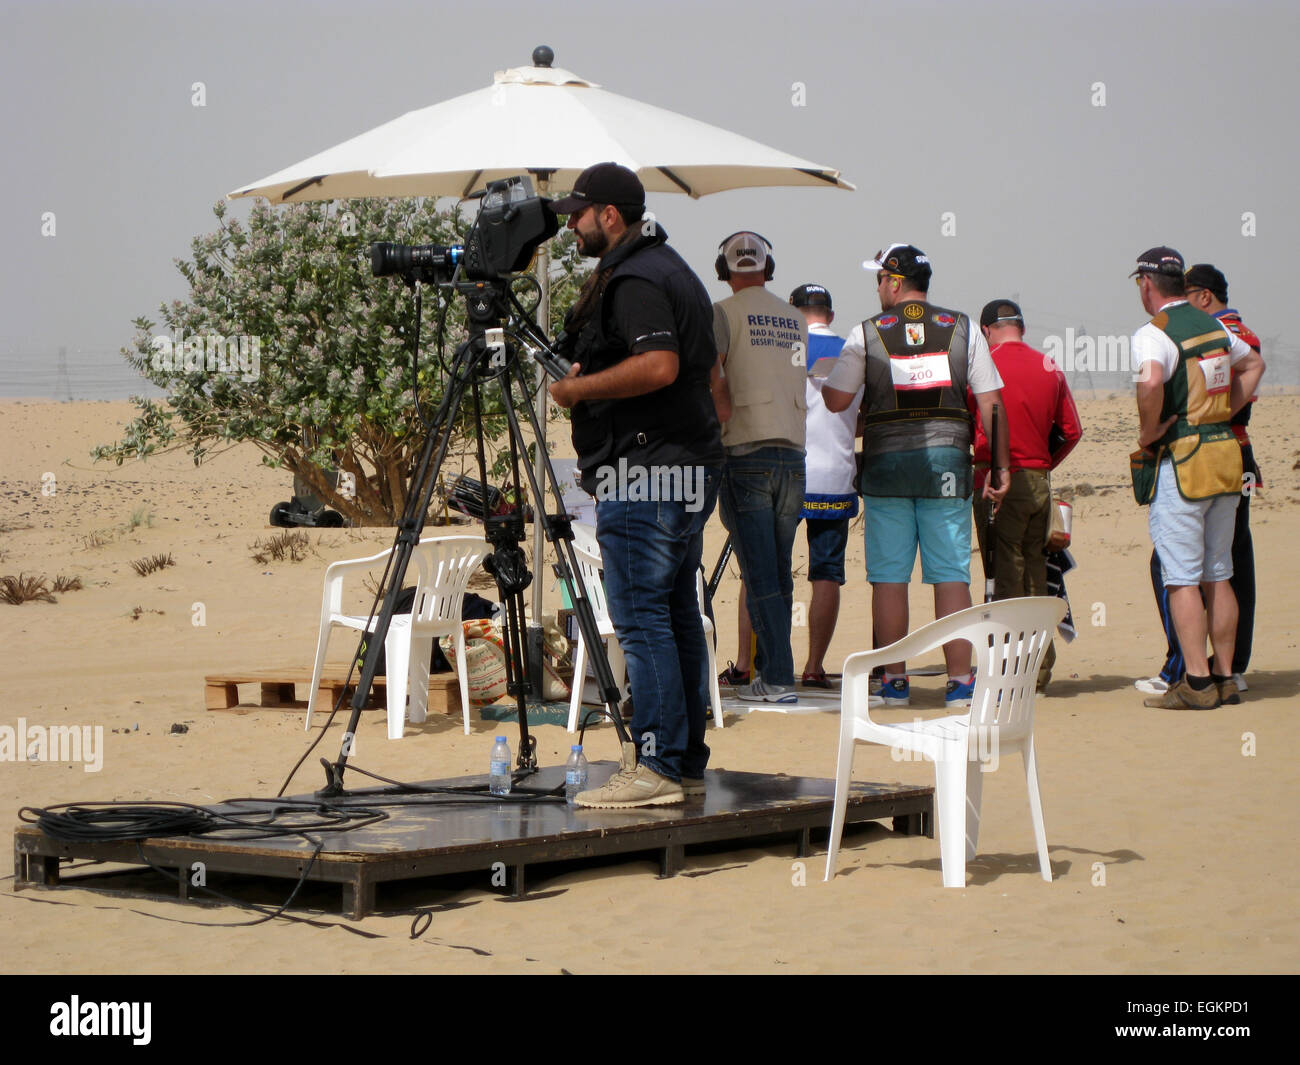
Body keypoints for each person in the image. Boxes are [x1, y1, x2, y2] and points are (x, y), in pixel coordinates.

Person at [547, 162, 723, 806]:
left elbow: (659, 363)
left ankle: (654, 764)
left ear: (610, 216)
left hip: (646, 474)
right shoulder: (668, 267)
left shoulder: (638, 279)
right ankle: (682, 759)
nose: (570, 225)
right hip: (681, 466)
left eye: (578, 214)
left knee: (643, 618)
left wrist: (575, 389)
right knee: (674, 613)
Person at [824, 244, 1009, 708]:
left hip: (886, 470)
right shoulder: (963, 328)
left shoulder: (866, 333)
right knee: (950, 576)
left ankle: (895, 681)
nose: (878, 290)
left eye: (879, 282)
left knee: (889, 578)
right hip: (947, 468)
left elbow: (835, 401)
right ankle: (960, 681)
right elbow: (992, 405)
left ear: (893, 282)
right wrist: (1000, 466)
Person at [1128, 247, 1264, 710]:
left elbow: (1149, 384)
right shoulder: (1217, 325)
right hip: (1227, 457)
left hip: (1184, 460)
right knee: (1219, 572)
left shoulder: (1153, 333)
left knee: (1182, 577)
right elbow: (1253, 364)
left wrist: (1149, 431)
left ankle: (1197, 682)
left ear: (1147, 285)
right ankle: (1226, 677)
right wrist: (1225, 411)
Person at [712, 231, 809, 704]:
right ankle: (774, 670)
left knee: (759, 572)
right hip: (792, 454)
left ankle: (778, 678)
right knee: (779, 570)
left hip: (745, 453)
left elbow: (713, 375)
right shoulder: (795, 316)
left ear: (724, 269)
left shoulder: (723, 313)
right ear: (767, 268)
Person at [971, 298, 1083, 692]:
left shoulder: (982, 365)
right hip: (1038, 481)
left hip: (993, 479)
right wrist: (1043, 464)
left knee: (1004, 573)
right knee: (1037, 571)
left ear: (986, 331)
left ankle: (1007, 670)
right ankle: (1039, 669)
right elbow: (1072, 431)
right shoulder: (1049, 366)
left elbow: (975, 423)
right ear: (1022, 326)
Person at [790, 283, 861, 687]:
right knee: (827, 574)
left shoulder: (783, 350)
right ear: (829, 315)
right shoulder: (852, 352)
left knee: (767, 572)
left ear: (794, 313)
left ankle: (765, 664)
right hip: (835, 475)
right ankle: (815, 666)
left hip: (787, 472)